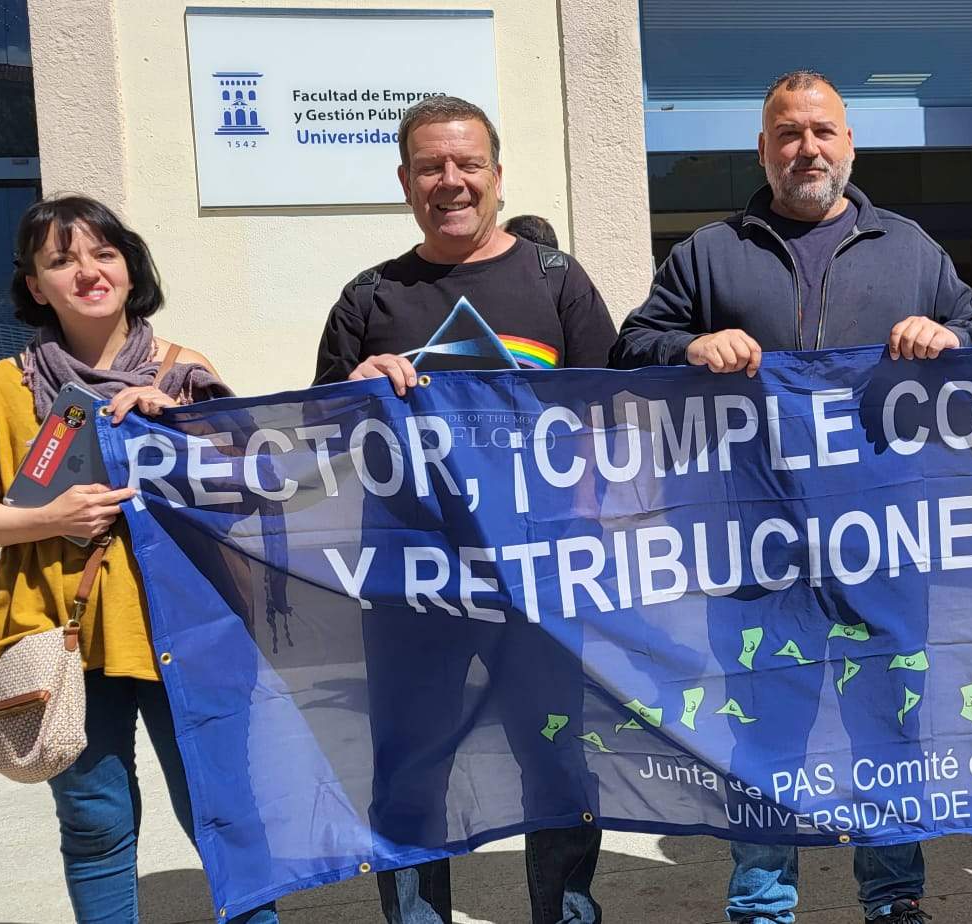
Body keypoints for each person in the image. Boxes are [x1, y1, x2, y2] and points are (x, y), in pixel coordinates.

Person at [612, 69, 972, 924]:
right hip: (755, 550)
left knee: (884, 725)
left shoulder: (910, 248)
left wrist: (948, 335)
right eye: (789, 134)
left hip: (884, 539)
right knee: (764, 730)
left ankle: (894, 900)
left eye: (822, 131)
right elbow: (632, 344)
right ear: (763, 149)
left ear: (850, 144)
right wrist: (691, 345)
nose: (807, 148)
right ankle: (762, 902)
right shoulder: (710, 251)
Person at [0, 195, 277, 923]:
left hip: (188, 630)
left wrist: (179, 425)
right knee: (95, 824)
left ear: (129, 266)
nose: (87, 272)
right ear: (35, 286)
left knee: (225, 813)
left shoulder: (186, 371)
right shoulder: (7, 386)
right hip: (65, 636)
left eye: (103, 253)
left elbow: (252, 492)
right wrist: (44, 519)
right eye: (61, 260)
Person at [315, 96, 614, 924]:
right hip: (413, 583)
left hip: (539, 577)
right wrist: (353, 393)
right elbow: (321, 438)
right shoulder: (368, 297)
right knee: (410, 769)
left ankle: (568, 914)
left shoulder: (557, 281)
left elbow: (611, 417)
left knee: (557, 761)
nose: (450, 181)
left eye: (467, 164)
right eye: (430, 167)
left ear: (496, 173)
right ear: (406, 181)